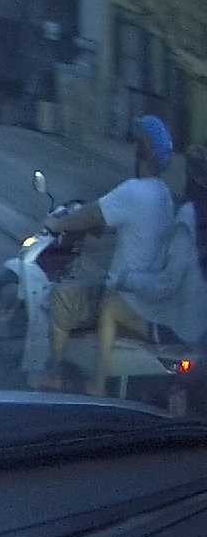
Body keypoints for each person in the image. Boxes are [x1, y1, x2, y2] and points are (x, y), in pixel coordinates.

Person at [39, 115, 177, 396]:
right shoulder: (164, 194)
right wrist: (100, 226)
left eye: (136, 144)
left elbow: (91, 214)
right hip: (151, 296)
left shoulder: (133, 191)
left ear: (141, 150)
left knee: (62, 298)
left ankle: (57, 375)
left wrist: (57, 224)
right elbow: (125, 224)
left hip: (128, 298)